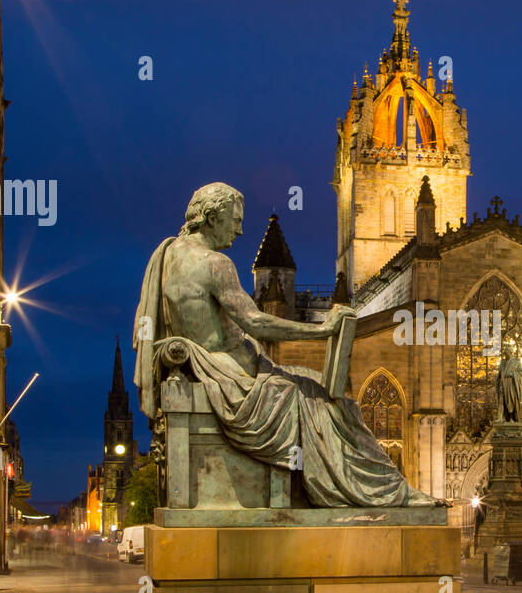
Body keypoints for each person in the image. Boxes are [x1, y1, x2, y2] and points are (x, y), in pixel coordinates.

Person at [134, 182, 439, 508]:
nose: (239, 230)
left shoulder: (165, 255)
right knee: (331, 403)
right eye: (235, 220)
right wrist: (324, 330)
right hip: (230, 375)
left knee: (316, 389)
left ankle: (385, 490)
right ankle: (386, 493)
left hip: (211, 367)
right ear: (211, 217)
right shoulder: (214, 264)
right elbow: (258, 321)